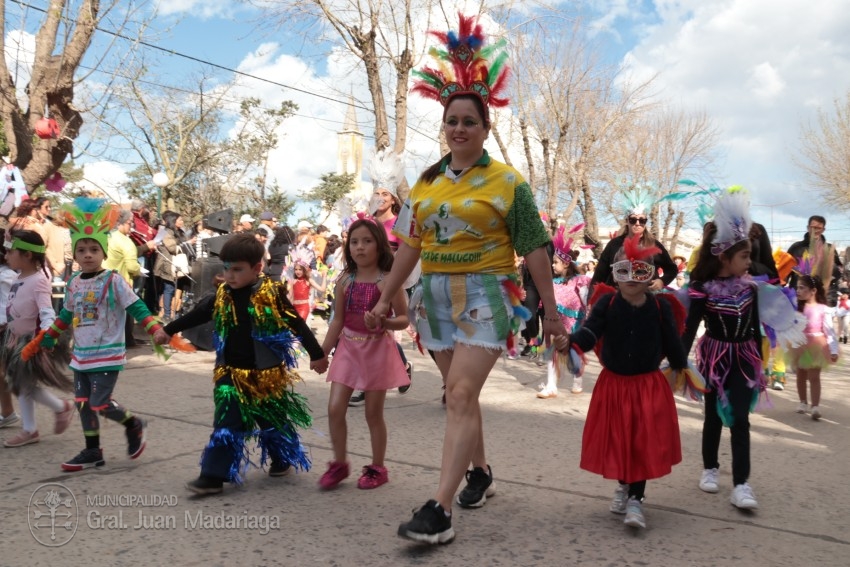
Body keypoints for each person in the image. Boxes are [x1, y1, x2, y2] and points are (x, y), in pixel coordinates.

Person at [366, 14, 565, 544]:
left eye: (469, 121)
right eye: (452, 120)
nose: (459, 128)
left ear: (486, 127)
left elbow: (535, 247)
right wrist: (386, 297)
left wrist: (551, 309)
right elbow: (410, 245)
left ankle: (440, 509)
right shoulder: (426, 184)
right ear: (444, 125)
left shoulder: (508, 183)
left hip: (487, 296)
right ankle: (480, 470)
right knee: (463, 396)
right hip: (433, 299)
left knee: (456, 394)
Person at [153, 233, 329, 495]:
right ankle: (213, 476)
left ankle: (281, 457)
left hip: (265, 375)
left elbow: (296, 322)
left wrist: (317, 354)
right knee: (226, 422)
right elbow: (198, 314)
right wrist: (168, 329)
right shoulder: (222, 293)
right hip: (230, 373)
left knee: (271, 422)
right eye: (227, 268)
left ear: (257, 268)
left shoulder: (271, 293)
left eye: (237, 269)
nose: (230, 275)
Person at [556, 235, 687, 529]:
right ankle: (624, 485)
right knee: (620, 439)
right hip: (614, 386)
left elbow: (672, 341)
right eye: (623, 271)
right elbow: (591, 333)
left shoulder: (660, 308)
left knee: (640, 442)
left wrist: (681, 367)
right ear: (614, 275)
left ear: (651, 276)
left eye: (640, 271)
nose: (631, 278)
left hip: (647, 387)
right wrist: (571, 343)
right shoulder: (606, 303)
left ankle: (636, 500)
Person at [35, 198, 163, 471]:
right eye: (82, 250)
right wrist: (50, 336)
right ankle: (93, 451)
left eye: (94, 249)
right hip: (81, 355)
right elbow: (67, 314)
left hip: (107, 354)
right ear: (76, 254)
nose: (88, 254)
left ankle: (134, 423)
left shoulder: (113, 280)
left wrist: (154, 328)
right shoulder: (73, 283)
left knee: (99, 403)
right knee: (83, 403)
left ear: (104, 252)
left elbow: (136, 305)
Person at [682, 188, 769, 511]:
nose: (750, 262)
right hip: (715, 359)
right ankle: (710, 468)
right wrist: (680, 361)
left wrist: (759, 363)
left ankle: (742, 484)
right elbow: (690, 327)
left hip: (744, 359)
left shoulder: (751, 289)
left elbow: (755, 327)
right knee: (713, 417)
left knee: (741, 419)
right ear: (724, 257)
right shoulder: (703, 289)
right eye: (745, 256)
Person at [318, 218, 409, 490]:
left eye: (367, 241)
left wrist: (385, 323)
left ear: (380, 246)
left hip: (377, 350)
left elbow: (403, 319)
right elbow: (337, 320)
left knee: (373, 413)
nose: (360, 247)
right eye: (355, 242)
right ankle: (339, 463)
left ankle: (377, 467)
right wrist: (322, 352)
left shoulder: (388, 282)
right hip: (347, 348)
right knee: (335, 408)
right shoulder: (345, 280)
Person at [1, 230, 74, 448]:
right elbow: (13, 307)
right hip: (13, 340)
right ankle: (36, 425)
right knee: (22, 385)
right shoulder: (18, 277)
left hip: (31, 343)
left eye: (11, 252)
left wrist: (46, 336)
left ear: (28, 255)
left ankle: (51, 415)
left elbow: (46, 311)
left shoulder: (39, 281)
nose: (6, 256)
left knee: (24, 385)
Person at [537, 224, 590, 398]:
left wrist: (587, 313)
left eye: (555, 262)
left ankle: (577, 379)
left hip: (575, 324)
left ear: (566, 263)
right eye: (552, 262)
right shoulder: (553, 283)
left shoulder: (579, 281)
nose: (552, 265)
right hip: (557, 324)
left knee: (574, 352)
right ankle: (551, 385)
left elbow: (585, 300)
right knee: (553, 351)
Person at [590, 188, 677, 293]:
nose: (637, 223)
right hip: (617, 300)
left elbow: (672, 269)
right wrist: (592, 301)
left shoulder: (654, 245)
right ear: (627, 221)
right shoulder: (614, 244)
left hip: (646, 299)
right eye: (633, 220)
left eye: (642, 220)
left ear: (645, 222)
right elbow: (599, 276)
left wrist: (662, 281)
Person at [788, 274, 838, 420]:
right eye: (797, 287)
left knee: (814, 376)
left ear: (813, 291)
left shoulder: (823, 309)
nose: (798, 291)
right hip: (800, 344)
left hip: (817, 344)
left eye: (802, 288)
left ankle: (815, 406)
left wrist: (833, 350)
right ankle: (803, 402)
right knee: (800, 374)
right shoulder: (797, 308)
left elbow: (829, 331)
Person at [103, 209, 144, 348]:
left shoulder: (107, 237)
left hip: (103, 281)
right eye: (130, 222)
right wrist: (139, 269)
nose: (131, 226)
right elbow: (132, 267)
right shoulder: (127, 243)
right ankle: (124, 341)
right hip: (121, 283)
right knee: (121, 315)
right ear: (124, 223)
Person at [786, 215, 842, 306]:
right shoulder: (796, 247)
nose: (816, 230)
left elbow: (837, 273)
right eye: (813, 227)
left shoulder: (829, 249)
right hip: (799, 297)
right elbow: (786, 271)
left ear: (823, 229)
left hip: (822, 298)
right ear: (808, 228)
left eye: (819, 228)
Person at [0, 230, 20, 429]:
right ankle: (7, 412)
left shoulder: (7, 276)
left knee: (15, 377)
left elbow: (9, 305)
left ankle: (58, 406)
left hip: (6, 331)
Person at [127, 199, 158, 314]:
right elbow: (145, 234)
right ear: (141, 209)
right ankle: (134, 312)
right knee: (136, 286)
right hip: (138, 255)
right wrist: (150, 233)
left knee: (139, 286)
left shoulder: (141, 220)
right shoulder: (133, 219)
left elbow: (151, 233)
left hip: (143, 254)